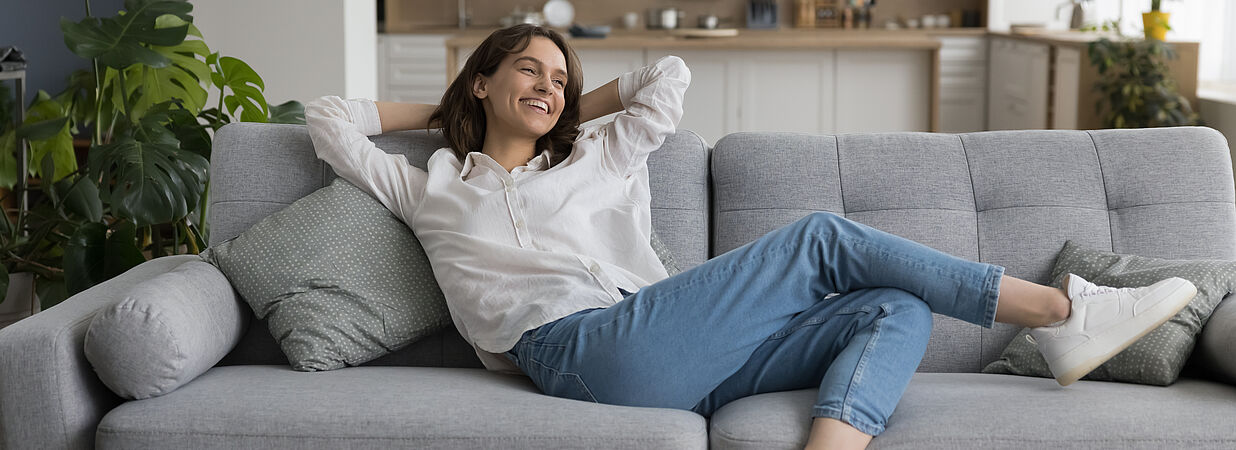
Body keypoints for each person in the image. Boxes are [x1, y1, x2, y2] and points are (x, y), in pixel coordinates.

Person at [305, 24, 1196, 450]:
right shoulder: (428, 185)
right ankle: (1059, 308)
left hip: (662, 335)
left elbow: (667, 75)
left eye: (559, 76)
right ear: (486, 79)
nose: (547, 86)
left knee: (890, 304)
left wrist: (571, 104)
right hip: (575, 353)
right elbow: (329, 117)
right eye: (526, 72)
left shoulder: (596, 154)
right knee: (819, 239)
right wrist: (455, 104)